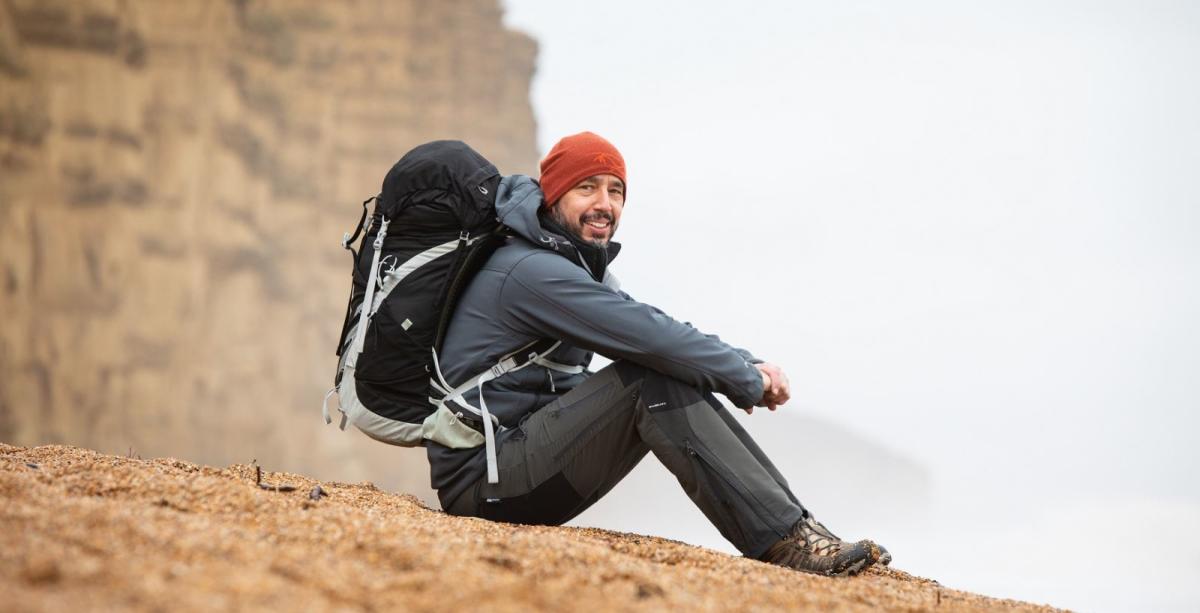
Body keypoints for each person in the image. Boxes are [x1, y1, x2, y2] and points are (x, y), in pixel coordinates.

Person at [429, 131, 888, 576]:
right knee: (652, 376)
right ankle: (789, 540)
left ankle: (798, 530)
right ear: (553, 197)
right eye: (585, 187)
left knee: (659, 367)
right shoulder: (531, 271)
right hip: (487, 482)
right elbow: (652, 338)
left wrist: (745, 361)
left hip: (516, 464)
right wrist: (746, 379)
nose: (604, 204)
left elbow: (653, 325)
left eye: (615, 191)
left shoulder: (564, 267)